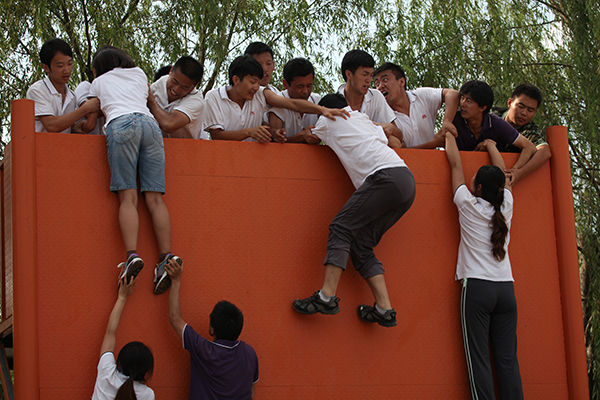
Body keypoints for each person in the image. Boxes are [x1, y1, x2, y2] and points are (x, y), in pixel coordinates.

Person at [292, 93, 416, 327]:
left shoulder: (327, 119)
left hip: (384, 177)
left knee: (341, 228)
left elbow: (310, 138)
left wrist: (296, 134)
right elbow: (388, 137)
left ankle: (326, 297)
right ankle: (384, 309)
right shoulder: (361, 118)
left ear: (325, 109)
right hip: (406, 180)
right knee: (362, 246)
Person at [87, 46, 181, 295]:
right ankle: (166, 258)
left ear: (99, 68)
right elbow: (147, 99)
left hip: (120, 123)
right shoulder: (139, 74)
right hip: (150, 126)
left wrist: (82, 126)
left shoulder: (98, 82)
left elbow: (90, 121)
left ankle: (131, 256)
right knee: (155, 199)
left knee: (128, 197)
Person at [444, 131, 523, 400]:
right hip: (506, 290)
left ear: (477, 187)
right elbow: (503, 174)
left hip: (478, 289)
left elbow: (455, 163)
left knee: (478, 359)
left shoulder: (467, 205)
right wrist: (491, 145)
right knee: (507, 360)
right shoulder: (506, 206)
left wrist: (449, 136)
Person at [165, 259, 259, 400]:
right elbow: (251, 394)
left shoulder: (202, 350)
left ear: (212, 330)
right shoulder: (250, 353)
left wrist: (176, 280)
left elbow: (175, 318)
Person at [204, 55, 348, 142]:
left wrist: (323, 110)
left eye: (258, 83)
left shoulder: (261, 94)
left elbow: (292, 104)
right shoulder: (213, 97)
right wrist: (249, 132)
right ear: (236, 80)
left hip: (254, 160)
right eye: (252, 82)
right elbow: (216, 135)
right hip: (223, 158)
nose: (256, 87)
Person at [92, 276, 155, 400]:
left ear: (120, 360)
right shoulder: (147, 394)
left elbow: (110, 332)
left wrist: (122, 297)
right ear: (146, 370)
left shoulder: (107, 371)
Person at [453, 80, 536, 172]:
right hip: (459, 171)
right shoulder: (454, 119)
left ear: (483, 107)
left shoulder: (496, 123)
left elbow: (529, 147)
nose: (463, 104)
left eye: (469, 101)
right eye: (462, 98)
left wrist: (514, 170)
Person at [373, 62, 459, 148]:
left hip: (435, 157)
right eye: (377, 83)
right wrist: (433, 143)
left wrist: (447, 121)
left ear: (401, 82)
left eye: (385, 80)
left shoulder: (421, 96)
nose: (380, 86)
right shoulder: (382, 117)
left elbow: (453, 94)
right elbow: (399, 152)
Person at [26, 38, 99, 133]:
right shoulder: (38, 90)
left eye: (69, 64)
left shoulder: (71, 96)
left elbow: (65, 125)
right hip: (39, 143)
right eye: (60, 66)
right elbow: (51, 125)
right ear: (46, 67)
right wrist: (85, 108)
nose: (67, 70)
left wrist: (74, 127)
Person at [337, 50, 403, 147]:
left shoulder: (376, 96)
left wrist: (390, 128)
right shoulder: (333, 103)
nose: (369, 80)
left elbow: (399, 137)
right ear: (349, 74)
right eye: (364, 75)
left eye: (371, 75)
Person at [492, 83, 551, 184]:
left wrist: (521, 172)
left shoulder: (529, 130)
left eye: (530, 110)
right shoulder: (492, 114)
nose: (524, 113)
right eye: (520, 106)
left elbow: (545, 152)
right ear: (510, 103)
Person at [148, 56, 205, 139]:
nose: (176, 89)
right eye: (174, 81)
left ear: (194, 86)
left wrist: (151, 102)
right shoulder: (161, 82)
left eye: (184, 87)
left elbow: (169, 124)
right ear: (171, 71)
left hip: (186, 145)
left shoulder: (196, 101)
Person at [267, 57, 322, 144]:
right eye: (300, 87)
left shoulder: (317, 101)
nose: (305, 91)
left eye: (309, 86)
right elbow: (275, 144)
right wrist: (300, 138)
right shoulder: (277, 104)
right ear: (285, 84)